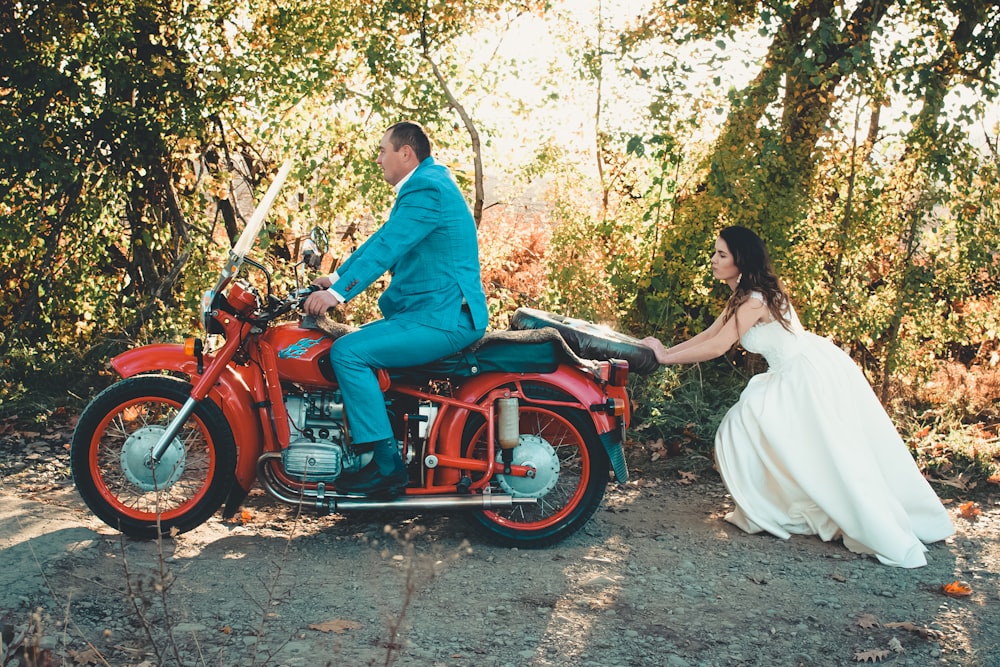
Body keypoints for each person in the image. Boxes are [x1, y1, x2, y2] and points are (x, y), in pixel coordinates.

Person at [641, 225, 954, 568]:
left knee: (802, 443)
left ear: (740, 260)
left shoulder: (755, 298)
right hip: (791, 371)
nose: (713, 260)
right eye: (715, 253)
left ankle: (795, 509)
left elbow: (718, 347)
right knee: (774, 436)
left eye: (721, 255)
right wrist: (666, 351)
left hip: (804, 374)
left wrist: (666, 358)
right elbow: (710, 333)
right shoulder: (743, 295)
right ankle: (778, 506)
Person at [303, 121, 488, 495]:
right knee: (354, 345)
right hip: (430, 313)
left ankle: (386, 466)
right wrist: (337, 278)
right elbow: (383, 239)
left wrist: (338, 297)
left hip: (444, 318)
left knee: (349, 353)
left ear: (407, 153)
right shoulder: (428, 184)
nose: (378, 158)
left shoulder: (428, 188)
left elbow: (390, 245)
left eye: (383, 150)